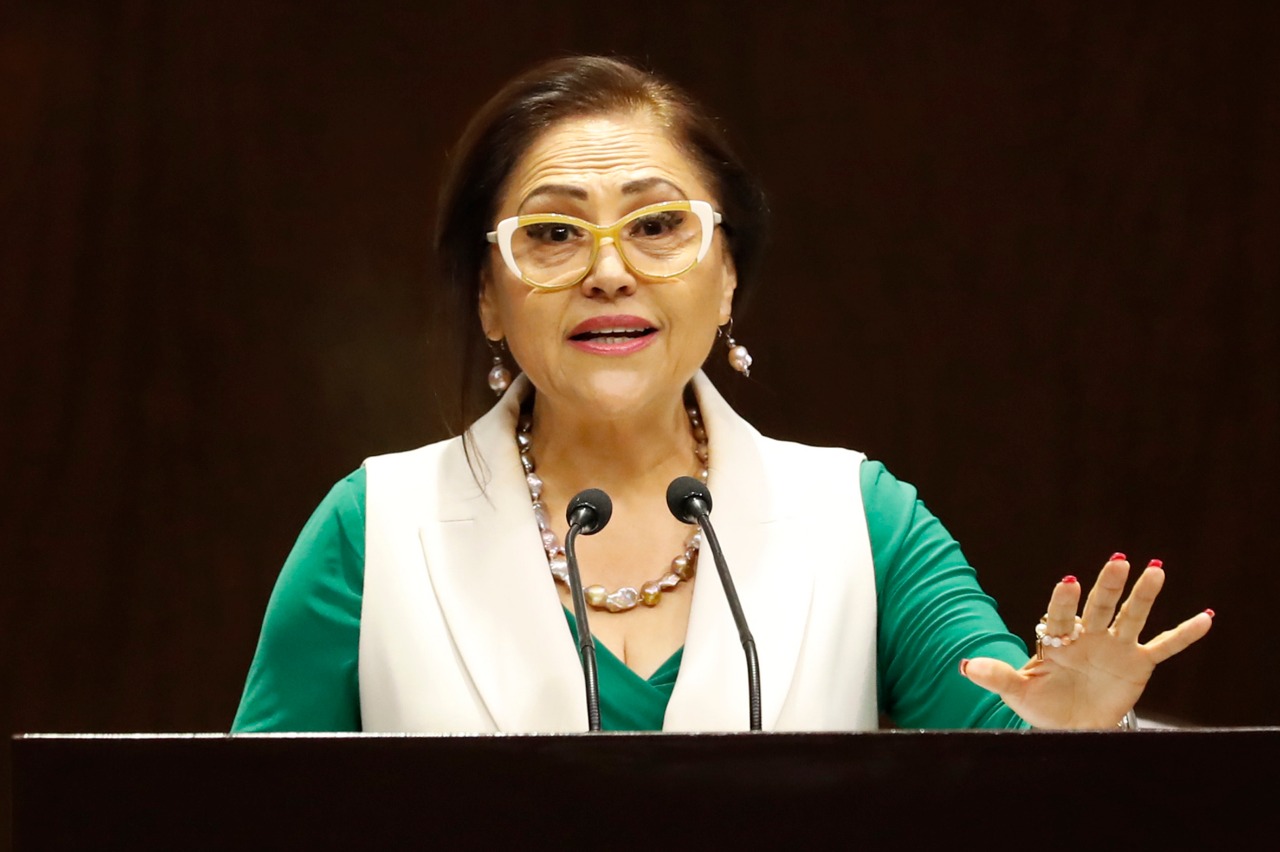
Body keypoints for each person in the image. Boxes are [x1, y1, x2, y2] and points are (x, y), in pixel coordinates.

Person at [232, 56, 1211, 734]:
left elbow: (1015, 753)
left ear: (728, 274)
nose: (608, 272)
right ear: (488, 295)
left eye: (658, 227)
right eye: (553, 234)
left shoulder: (859, 519)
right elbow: (245, 822)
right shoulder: (373, 531)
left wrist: (1084, 736)